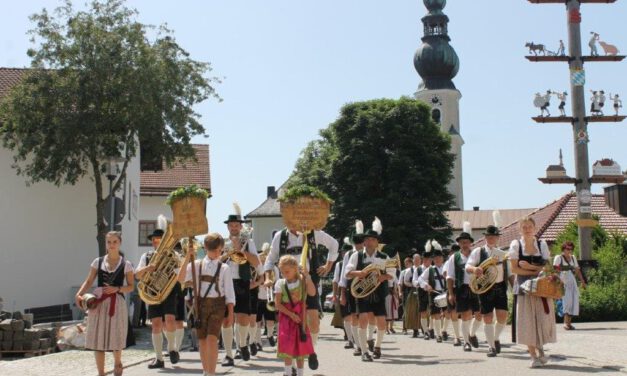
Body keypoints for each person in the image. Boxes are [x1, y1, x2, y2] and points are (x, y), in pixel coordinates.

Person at [264, 224, 339, 369]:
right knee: (290, 326)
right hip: (287, 286)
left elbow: (334, 244)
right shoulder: (280, 236)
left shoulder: (313, 233)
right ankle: (292, 364)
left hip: (307, 282)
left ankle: (310, 350)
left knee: (314, 322)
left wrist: (328, 266)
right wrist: (268, 277)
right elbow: (270, 258)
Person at [75, 231, 134, 376]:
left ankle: (117, 363)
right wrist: (79, 294)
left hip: (117, 303)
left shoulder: (126, 264)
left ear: (119, 243)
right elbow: (89, 281)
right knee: (97, 339)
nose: (112, 245)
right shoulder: (98, 261)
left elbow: (131, 286)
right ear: (106, 244)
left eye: (115, 242)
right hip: (99, 303)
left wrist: (118, 288)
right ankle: (101, 373)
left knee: (116, 337)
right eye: (109, 242)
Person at [178, 233, 235, 376]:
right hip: (201, 306)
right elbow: (181, 278)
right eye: (215, 250)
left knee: (212, 339)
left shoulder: (224, 268)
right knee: (202, 340)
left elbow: (229, 293)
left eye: (220, 250)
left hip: (218, 306)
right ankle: (205, 370)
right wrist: (187, 257)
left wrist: (231, 314)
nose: (218, 253)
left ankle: (212, 372)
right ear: (206, 248)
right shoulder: (197, 265)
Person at [509, 217, 556, 368]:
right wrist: (537, 269)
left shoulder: (542, 245)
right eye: (524, 227)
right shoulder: (516, 245)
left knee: (543, 320)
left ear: (534, 228)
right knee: (527, 322)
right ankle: (533, 356)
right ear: (520, 229)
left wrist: (529, 267)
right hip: (524, 288)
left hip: (542, 287)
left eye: (530, 227)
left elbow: (548, 269)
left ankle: (541, 349)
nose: (527, 229)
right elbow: (515, 269)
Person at [344, 219, 392, 362]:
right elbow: (347, 272)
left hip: (378, 293)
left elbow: (392, 274)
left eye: (373, 239)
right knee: (363, 320)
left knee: (382, 322)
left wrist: (382, 276)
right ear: (364, 242)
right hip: (362, 292)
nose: (370, 242)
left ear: (377, 242)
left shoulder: (385, 257)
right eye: (367, 239)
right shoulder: (356, 255)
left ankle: (377, 347)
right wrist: (359, 273)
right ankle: (364, 351)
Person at [135, 225, 179, 369]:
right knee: (156, 324)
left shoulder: (173, 255)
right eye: (154, 239)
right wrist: (148, 268)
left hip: (168, 291)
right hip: (152, 293)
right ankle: (159, 358)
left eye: (159, 239)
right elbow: (137, 275)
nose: (156, 242)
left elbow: (179, 273)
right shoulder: (146, 256)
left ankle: (172, 348)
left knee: (170, 320)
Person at [220, 208, 261, 366]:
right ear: (228, 227)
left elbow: (256, 262)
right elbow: (217, 260)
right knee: (226, 319)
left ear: (240, 227)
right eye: (232, 225)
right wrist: (227, 253)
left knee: (243, 318)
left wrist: (240, 251)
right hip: (225, 282)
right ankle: (229, 355)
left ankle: (242, 344)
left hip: (242, 282)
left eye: (237, 225)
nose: (234, 227)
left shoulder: (248, 242)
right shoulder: (223, 242)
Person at [466, 225, 513, 357]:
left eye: (493, 236)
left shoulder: (503, 254)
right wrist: (475, 269)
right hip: (485, 288)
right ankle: (491, 346)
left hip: (500, 287)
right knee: (487, 317)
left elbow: (509, 274)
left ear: (497, 238)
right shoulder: (478, 252)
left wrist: (515, 287)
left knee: (503, 317)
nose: (491, 238)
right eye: (488, 236)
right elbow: (468, 266)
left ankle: (495, 338)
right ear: (485, 237)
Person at [274, 255, 316, 376]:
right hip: (287, 319)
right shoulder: (280, 283)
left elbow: (312, 293)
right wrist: (291, 315)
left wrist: (308, 276)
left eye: (287, 271)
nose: (284, 274)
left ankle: (300, 374)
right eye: (282, 272)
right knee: (287, 348)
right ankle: (287, 373)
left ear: (295, 268)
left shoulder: (302, 280)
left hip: (301, 319)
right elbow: (278, 304)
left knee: (300, 348)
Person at [446, 227, 483, 351]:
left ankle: (472, 334)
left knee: (479, 315)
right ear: (459, 243)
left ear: (470, 243)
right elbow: (450, 277)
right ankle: (466, 342)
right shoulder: (454, 257)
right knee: (465, 315)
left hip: (477, 287)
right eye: (462, 242)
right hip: (462, 288)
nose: (464, 244)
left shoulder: (476, 255)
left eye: (466, 242)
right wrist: (451, 294)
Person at [339, 222, 366, 356]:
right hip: (352, 288)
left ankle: (366, 341)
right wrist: (342, 294)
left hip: (368, 288)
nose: (359, 246)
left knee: (366, 316)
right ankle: (357, 345)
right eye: (357, 243)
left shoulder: (369, 253)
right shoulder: (348, 255)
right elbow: (344, 276)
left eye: (361, 243)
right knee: (354, 316)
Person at [417, 243, 447, 343]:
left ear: (442, 258)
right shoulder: (430, 269)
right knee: (436, 314)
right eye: (435, 258)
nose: (438, 259)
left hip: (445, 293)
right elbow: (420, 279)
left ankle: (444, 331)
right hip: (434, 294)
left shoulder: (446, 268)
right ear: (433, 260)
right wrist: (426, 285)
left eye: (439, 257)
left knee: (448, 314)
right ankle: (438, 335)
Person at [553, 241, 586, 330]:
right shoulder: (558, 257)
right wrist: (558, 283)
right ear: (563, 249)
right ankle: (565, 323)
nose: (569, 250)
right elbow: (555, 271)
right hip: (562, 281)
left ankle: (569, 323)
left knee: (574, 301)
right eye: (568, 249)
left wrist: (582, 281)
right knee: (566, 302)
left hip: (571, 281)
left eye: (571, 249)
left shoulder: (573, 258)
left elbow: (577, 270)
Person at [254, 243, 278, 351]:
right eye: (262, 256)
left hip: (270, 296)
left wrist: (270, 284)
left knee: (270, 319)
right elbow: (253, 280)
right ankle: (258, 342)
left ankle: (269, 335)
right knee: (257, 320)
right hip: (258, 297)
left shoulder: (274, 268)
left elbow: (276, 280)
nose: (264, 258)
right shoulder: (257, 268)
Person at [413, 247, 433, 340]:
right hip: (422, 292)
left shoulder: (433, 269)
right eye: (424, 259)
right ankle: (425, 331)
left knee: (434, 312)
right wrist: (419, 284)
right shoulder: (418, 269)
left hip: (433, 292)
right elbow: (414, 281)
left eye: (428, 259)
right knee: (423, 312)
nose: (426, 261)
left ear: (430, 260)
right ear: (422, 259)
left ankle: (431, 329)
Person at [398, 257, 413, 335]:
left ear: (411, 263)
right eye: (405, 263)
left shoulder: (415, 270)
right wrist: (400, 292)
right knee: (405, 310)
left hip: (414, 292)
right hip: (406, 292)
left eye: (407, 263)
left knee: (414, 310)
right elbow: (400, 283)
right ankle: (404, 328)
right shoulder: (403, 272)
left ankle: (415, 328)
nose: (406, 264)